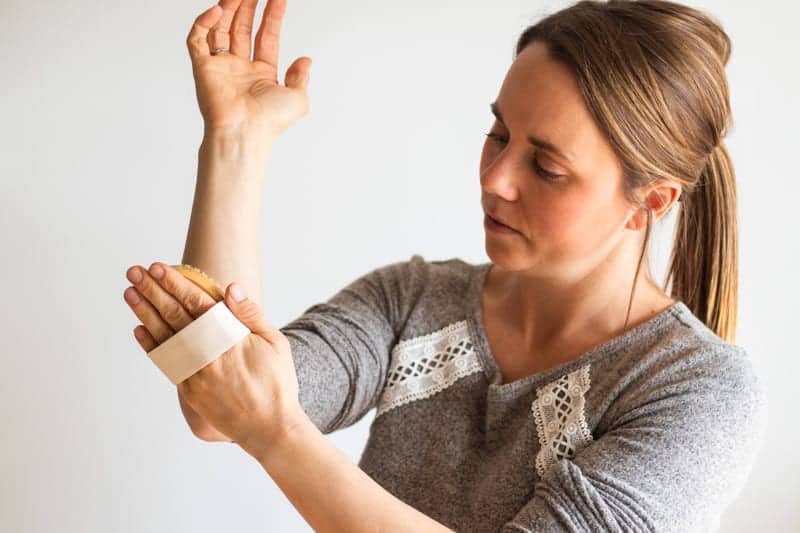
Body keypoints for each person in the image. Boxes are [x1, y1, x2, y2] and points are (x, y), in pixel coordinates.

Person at [123, 0, 768, 531]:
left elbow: (262, 415)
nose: (495, 178)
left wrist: (279, 435)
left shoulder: (697, 389)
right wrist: (237, 139)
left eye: (545, 167)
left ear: (648, 203)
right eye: (498, 134)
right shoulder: (412, 299)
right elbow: (218, 407)